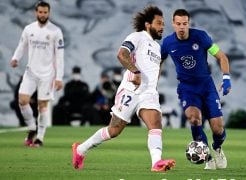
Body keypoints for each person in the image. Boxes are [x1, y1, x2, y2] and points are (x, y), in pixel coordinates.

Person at [72, 6, 175, 172]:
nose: (162, 26)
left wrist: (153, 87)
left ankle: (157, 163)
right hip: (130, 90)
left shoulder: (157, 48)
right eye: (159, 23)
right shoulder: (137, 37)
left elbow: (156, 68)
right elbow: (121, 54)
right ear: (148, 24)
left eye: (163, 23)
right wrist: (135, 71)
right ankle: (80, 150)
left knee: (155, 124)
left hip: (148, 93)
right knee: (114, 130)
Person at [161, 9, 231, 170]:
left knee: (218, 129)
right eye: (178, 24)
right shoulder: (167, 43)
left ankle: (217, 147)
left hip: (207, 86)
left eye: (184, 24)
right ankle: (206, 157)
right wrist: (152, 84)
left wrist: (226, 78)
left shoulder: (201, 37)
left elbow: (221, 56)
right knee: (193, 118)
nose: (181, 27)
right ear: (173, 24)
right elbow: (159, 61)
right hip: (187, 88)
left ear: (189, 23)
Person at [10, 1, 64, 147]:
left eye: (45, 12)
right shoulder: (29, 29)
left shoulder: (55, 31)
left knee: (42, 105)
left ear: (49, 13)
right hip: (31, 72)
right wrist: (16, 58)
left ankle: (39, 138)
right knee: (22, 100)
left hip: (47, 74)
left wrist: (59, 78)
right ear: (36, 12)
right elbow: (22, 45)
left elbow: (60, 56)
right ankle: (32, 128)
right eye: (40, 12)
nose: (42, 14)